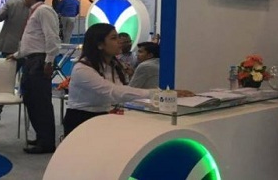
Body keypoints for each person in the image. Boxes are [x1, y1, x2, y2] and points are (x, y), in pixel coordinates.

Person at [64, 24, 192, 137]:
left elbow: (121, 92)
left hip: (104, 117)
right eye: (113, 38)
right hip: (81, 120)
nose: (119, 42)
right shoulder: (82, 69)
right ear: (100, 44)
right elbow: (114, 92)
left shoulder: (113, 65)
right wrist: (159, 94)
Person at [8, 0, 60, 154]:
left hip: (39, 61)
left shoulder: (44, 11)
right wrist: (17, 55)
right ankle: (41, 136)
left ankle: (47, 142)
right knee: (31, 100)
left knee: (41, 103)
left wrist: (49, 61)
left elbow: (51, 37)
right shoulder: (35, 12)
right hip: (31, 60)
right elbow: (33, 40)